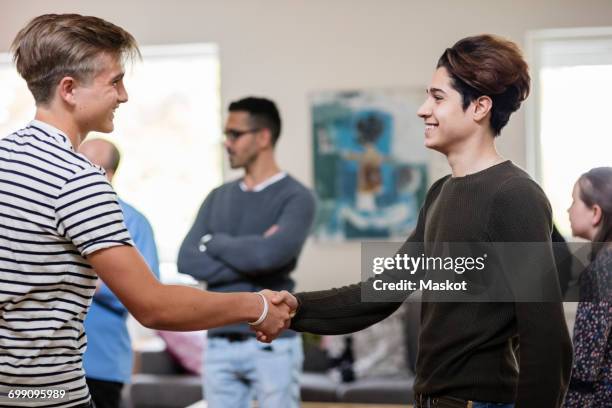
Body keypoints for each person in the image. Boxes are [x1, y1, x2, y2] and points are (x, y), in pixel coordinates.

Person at [263, 34, 573, 408]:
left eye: (438, 98)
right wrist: (294, 307)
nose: (423, 109)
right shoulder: (441, 192)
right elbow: (384, 290)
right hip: (431, 399)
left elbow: (546, 336)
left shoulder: (514, 195)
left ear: (479, 107)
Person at [1, 14, 290, 408]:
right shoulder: (77, 179)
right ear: (69, 89)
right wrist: (255, 306)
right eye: (114, 81)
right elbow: (153, 306)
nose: (124, 96)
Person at [178, 96, 316, 408]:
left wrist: (215, 243)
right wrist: (256, 254)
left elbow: (268, 257)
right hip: (218, 343)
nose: (227, 143)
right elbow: (187, 259)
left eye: (235, 134)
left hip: (273, 344)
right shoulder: (217, 196)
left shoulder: (298, 197)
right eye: (226, 134)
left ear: (264, 137)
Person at [78, 139, 160, 408]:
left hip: (101, 364)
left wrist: (82, 279)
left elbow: (148, 294)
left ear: (108, 174)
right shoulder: (50, 214)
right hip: (45, 364)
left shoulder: (133, 222)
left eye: (87, 165)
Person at [564, 167, 612, 407]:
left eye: (574, 202)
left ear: (595, 212)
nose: (568, 209)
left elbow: (586, 360)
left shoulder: (602, 270)